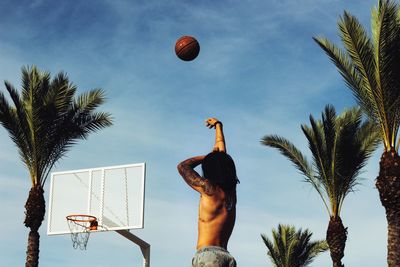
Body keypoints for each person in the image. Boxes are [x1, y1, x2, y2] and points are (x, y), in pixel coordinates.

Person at [177, 118, 239, 267]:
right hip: (226, 257)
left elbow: (183, 167)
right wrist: (218, 127)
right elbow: (222, 157)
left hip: (209, 257)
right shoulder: (231, 192)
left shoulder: (209, 190)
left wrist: (207, 157)